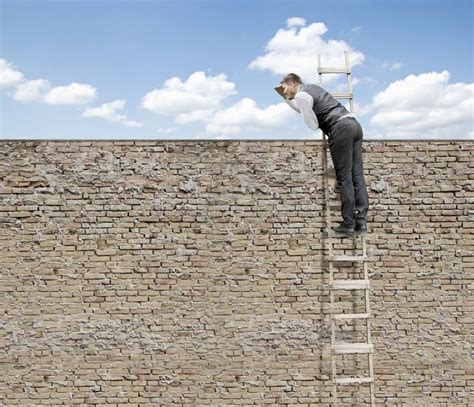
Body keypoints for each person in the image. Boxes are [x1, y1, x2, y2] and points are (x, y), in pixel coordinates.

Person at [275, 72, 369, 237]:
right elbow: (302, 108)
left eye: (284, 86)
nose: (284, 90)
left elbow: (312, 123)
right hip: (354, 125)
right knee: (357, 176)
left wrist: (293, 102)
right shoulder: (311, 89)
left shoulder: (302, 95)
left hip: (340, 129)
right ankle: (361, 221)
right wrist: (286, 99)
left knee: (344, 178)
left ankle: (348, 225)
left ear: (291, 83)